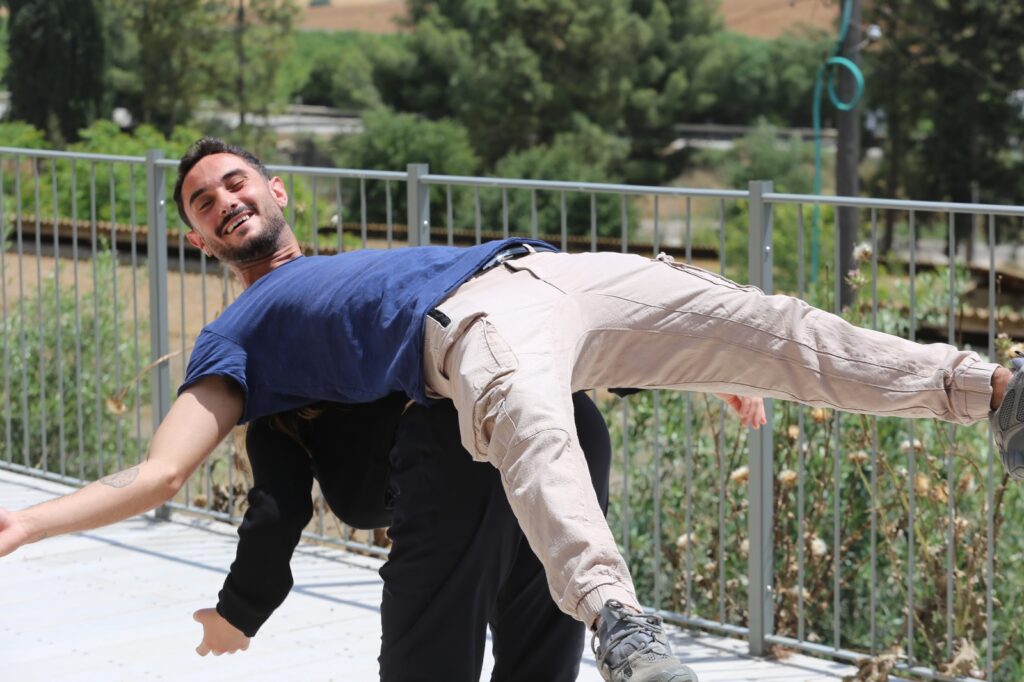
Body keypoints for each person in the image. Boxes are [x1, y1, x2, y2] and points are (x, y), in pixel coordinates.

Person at [1, 138, 1019, 682]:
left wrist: (698, 359)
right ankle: (619, 618)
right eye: (203, 203)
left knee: (770, 326)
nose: (226, 202)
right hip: (473, 333)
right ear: (198, 241)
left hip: (547, 272)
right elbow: (164, 471)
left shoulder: (351, 262)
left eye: (235, 184)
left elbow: (640, 331)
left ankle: (994, 394)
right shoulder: (236, 335)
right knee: (532, 424)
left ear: (276, 191)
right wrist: (30, 521)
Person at [194, 392, 614, 682]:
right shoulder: (378, 344)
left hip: (465, 449)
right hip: (568, 424)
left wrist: (237, 614)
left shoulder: (280, 406)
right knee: (540, 662)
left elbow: (276, 513)